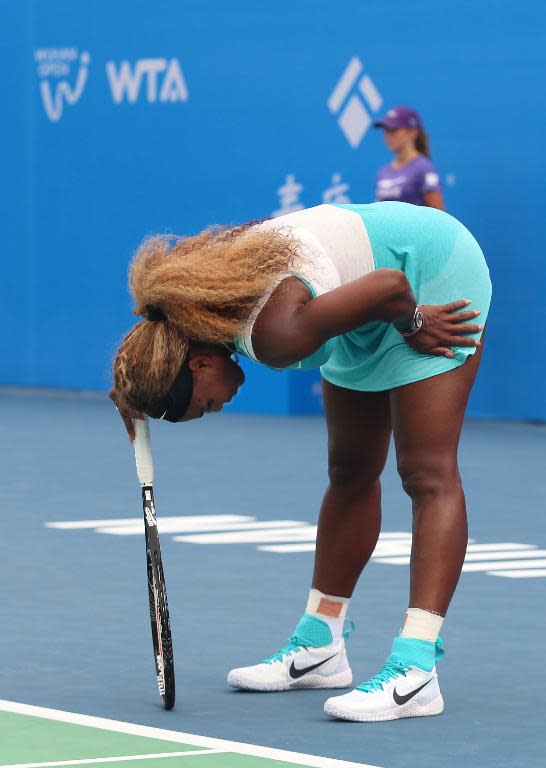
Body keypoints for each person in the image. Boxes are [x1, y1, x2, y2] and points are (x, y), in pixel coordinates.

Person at [111, 201, 491, 722]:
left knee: (426, 472)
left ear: (199, 362)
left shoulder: (277, 336)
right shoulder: (199, 306)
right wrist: (134, 394)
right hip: (361, 299)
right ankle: (322, 643)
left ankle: (417, 668)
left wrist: (417, 322)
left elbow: (391, 290)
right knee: (350, 471)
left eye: (202, 405)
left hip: (421, 276)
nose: (215, 409)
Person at [374, 106, 445, 210]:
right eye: (385, 130)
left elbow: (439, 216)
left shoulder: (424, 169)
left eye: (393, 129)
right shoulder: (383, 172)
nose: (387, 135)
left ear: (412, 132)